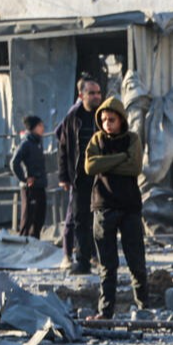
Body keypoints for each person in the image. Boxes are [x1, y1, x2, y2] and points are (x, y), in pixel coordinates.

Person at [83, 98, 148, 320]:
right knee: (107, 266)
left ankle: (144, 308)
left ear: (121, 119)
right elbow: (90, 166)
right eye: (104, 120)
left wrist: (107, 162)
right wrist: (120, 158)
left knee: (136, 262)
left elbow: (135, 166)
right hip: (103, 206)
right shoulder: (97, 140)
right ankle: (106, 311)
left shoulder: (132, 139)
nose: (107, 123)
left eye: (112, 119)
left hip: (129, 207)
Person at [57, 75, 104, 274]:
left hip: (102, 178)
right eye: (91, 93)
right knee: (80, 220)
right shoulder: (73, 117)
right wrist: (63, 177)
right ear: (81, 95)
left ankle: (102, 259)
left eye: (98, 93)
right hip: (79, 177)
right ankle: (82, 260)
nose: (96, 97)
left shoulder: (105, 115)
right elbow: (64, 147)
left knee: (101, 220)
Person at [10, 115, 48, 239]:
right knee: (28, 218)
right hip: (30, 187)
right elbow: (14, 162)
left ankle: (34, 241)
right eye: (40, 125)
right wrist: (24, 179)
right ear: (33, 128)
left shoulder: (37, 143)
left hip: (40, 184)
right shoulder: (26, 143)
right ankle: (23, 242)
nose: (43, 128)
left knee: (39, 217)